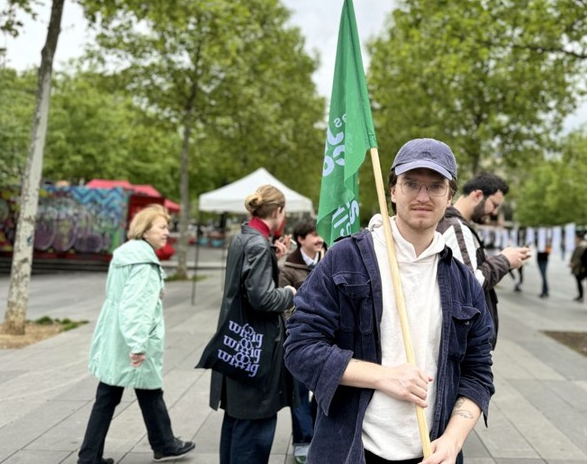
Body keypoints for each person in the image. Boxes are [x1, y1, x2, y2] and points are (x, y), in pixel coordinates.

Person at [285, 138, 495, 464]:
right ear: (393, 190)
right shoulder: (346, 259)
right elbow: (299, 347)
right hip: (351, 451)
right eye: (411, 183)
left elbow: (478, 372)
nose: (423, 196)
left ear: (449, 196)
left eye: (435, 186)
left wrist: (453, 441)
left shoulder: (464, 282)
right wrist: (383, 376)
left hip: (431, 454)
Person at [78, 204, 195, 464]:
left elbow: (123, 299)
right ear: (145, 230)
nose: (167, 232)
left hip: (116, 333)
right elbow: (137, 306)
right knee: (132, 391)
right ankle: (161, 444)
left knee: (126, 392)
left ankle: (159, 443)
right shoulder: (144, 263)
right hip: (132, 336)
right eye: (162, 227)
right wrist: (138, 344)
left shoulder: (126, 254)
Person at [209, 185, 296, 464]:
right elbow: (261, 298)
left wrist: (274, 257)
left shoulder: (247, 237)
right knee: (254, 430)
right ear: (278, 211)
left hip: (239, 343)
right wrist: (290, 294)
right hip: (256, 351)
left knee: (237, 424)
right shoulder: (258, 244)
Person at [436, 171, 530, 349]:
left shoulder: (454, 224)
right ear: (478, 195)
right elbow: (471, 283)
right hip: (464, 340)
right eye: (494, 205)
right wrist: (505, 261)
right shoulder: (457, 228)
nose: (494, 212)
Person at [279, 219, 325, 464]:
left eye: (320, 234)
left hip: (327, 340)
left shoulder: (327, 260)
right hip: (298, 340)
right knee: (298, 393)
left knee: (323, 390)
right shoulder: (287, 268)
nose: (319, 239)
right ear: (300, 239)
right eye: (314, 234)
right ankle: (302, 441)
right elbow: (285, 307)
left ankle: (319, 435)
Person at [569, 231, 587, 301]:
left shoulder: (582, 246)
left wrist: (574, 263)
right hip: (578, 267)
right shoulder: (580, 245)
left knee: (579, 282)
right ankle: (580, 295)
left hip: (579, 267)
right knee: (578, 282)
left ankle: (581, 296)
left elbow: (580, 257)